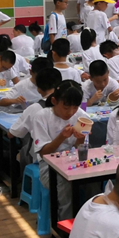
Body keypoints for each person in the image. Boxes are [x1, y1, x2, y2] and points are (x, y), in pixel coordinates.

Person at [31, 80, 87, 219]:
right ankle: (65, 224)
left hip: (74, 162)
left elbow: (80, 151)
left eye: (75, 107)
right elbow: (44, 153)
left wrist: (81, 140)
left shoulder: (82, 117)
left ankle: (87, 220)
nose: (71, 112)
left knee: (93, 182)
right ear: (54, 101)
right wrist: (61, 137)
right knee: (65, 183)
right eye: (66, 107)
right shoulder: (42, 116)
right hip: (48, 167)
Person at [9, 68, 62, 143]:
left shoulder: (35, 108)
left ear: (38, 89)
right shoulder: (70, 104)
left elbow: (12, 133)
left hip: (41, 148)